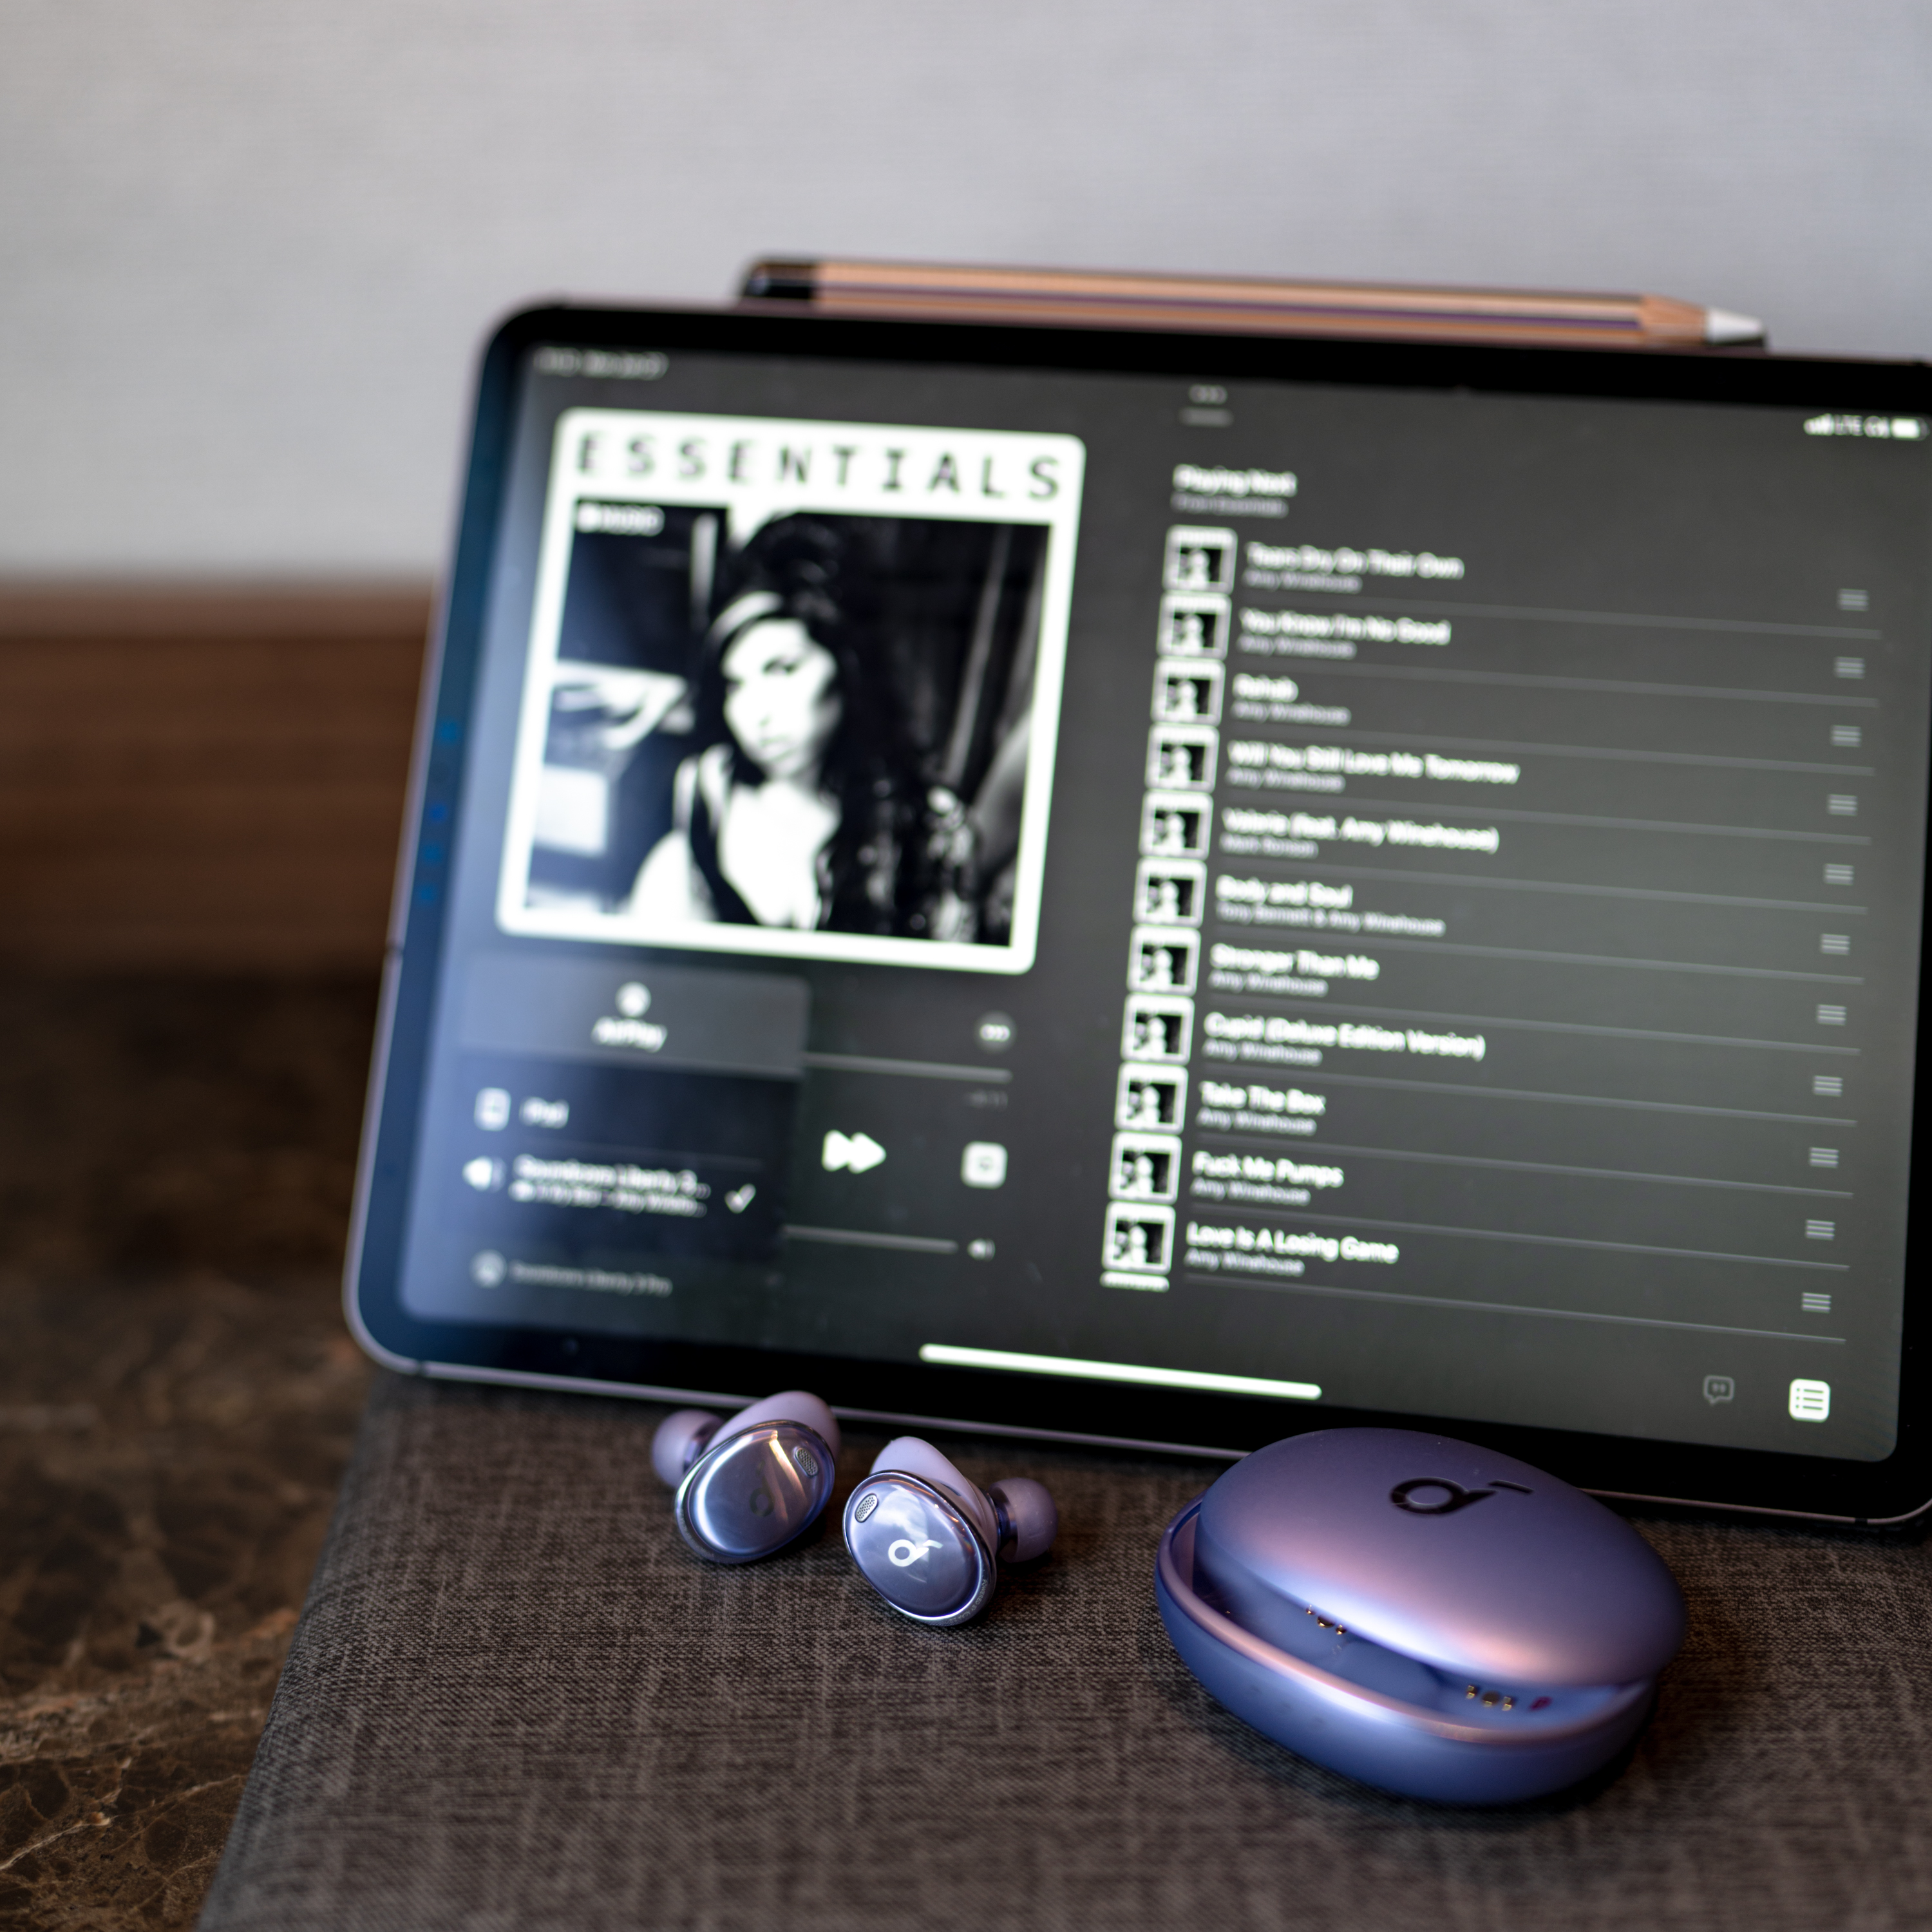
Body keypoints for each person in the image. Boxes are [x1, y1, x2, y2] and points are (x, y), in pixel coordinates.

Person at [627, 521, 934, 934]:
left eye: (783, 669)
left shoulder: (918, 820)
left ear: (847, 669)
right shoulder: (710, 786)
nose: (755, 715)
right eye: (735, 685)